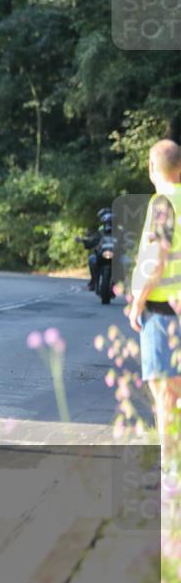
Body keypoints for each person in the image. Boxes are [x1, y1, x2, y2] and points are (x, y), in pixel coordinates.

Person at [128, 139, 181, 460]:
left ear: (151, 167)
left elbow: (158, 257)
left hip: (162, 314)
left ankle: (171, 470)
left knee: (165, 395)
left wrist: (138, 301)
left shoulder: (163, 202)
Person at [77, 208, 114, 291]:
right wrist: (84, 241)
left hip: (116, 253)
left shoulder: (119, 230)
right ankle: (94, 281)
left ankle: (127, 283)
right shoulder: (101, 231)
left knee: (126, 261)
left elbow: (125, 239)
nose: (109, 224)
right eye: (107, 222)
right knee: (92, 259)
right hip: (103, 253)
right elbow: (94, 240)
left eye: (110, 222)